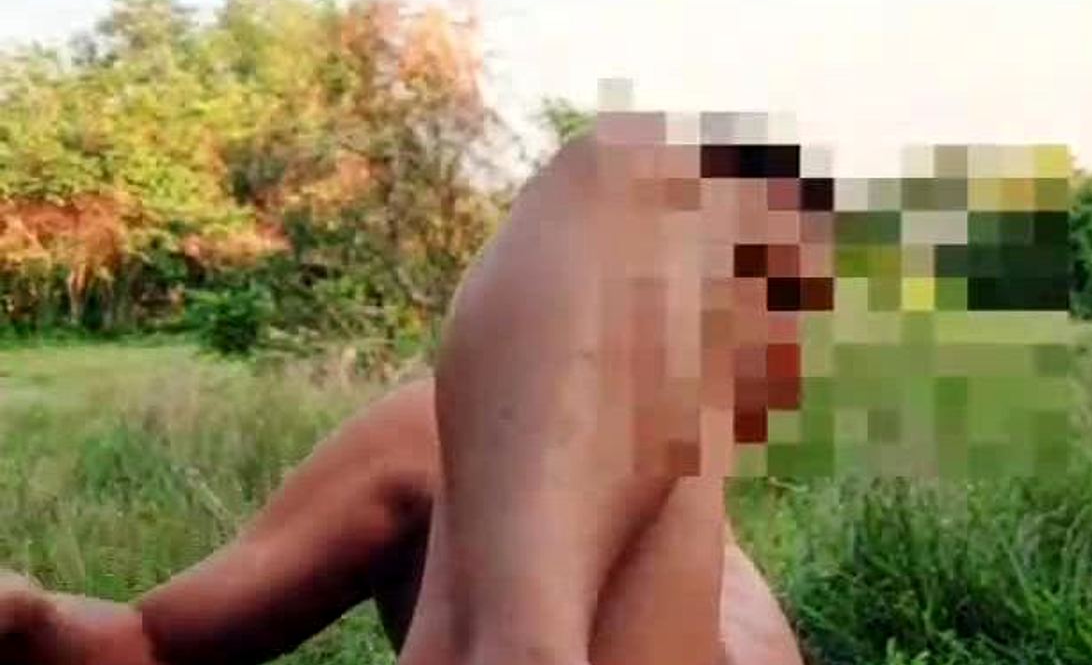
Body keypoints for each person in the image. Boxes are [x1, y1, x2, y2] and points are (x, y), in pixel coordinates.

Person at [1, 120, 829, 665]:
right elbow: (150, 642)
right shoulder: (437, 440)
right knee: (630, 168)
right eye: (780, 290)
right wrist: (32, 619)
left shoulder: (697, 518)